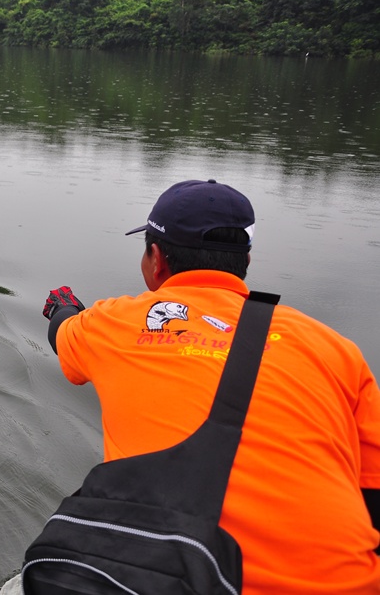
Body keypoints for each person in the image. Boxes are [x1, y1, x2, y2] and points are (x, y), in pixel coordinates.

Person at [32, 179, 380, 594]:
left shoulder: (115, 321)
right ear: (245, 260)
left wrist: (62, 304)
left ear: (156, 260)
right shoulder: (337, 350)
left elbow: (62, 334)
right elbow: (371, 498)